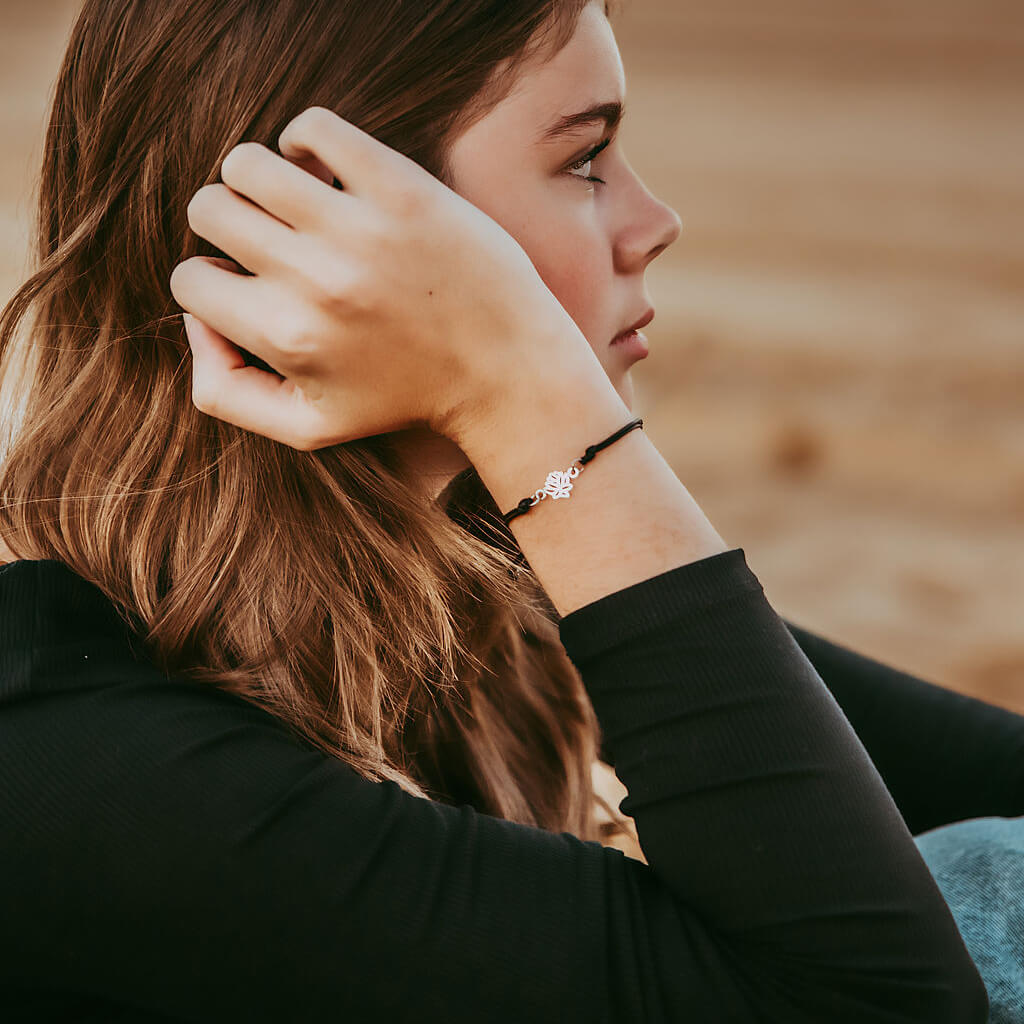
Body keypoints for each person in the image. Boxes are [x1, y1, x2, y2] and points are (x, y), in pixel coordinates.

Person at [0, 0, 1018, 1019]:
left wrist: (549, 465)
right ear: (314, 223)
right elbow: (878, 1003)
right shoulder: (70, 767)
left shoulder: (481, 567)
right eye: (584, 160)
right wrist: (532, 406)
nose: (653, 222)